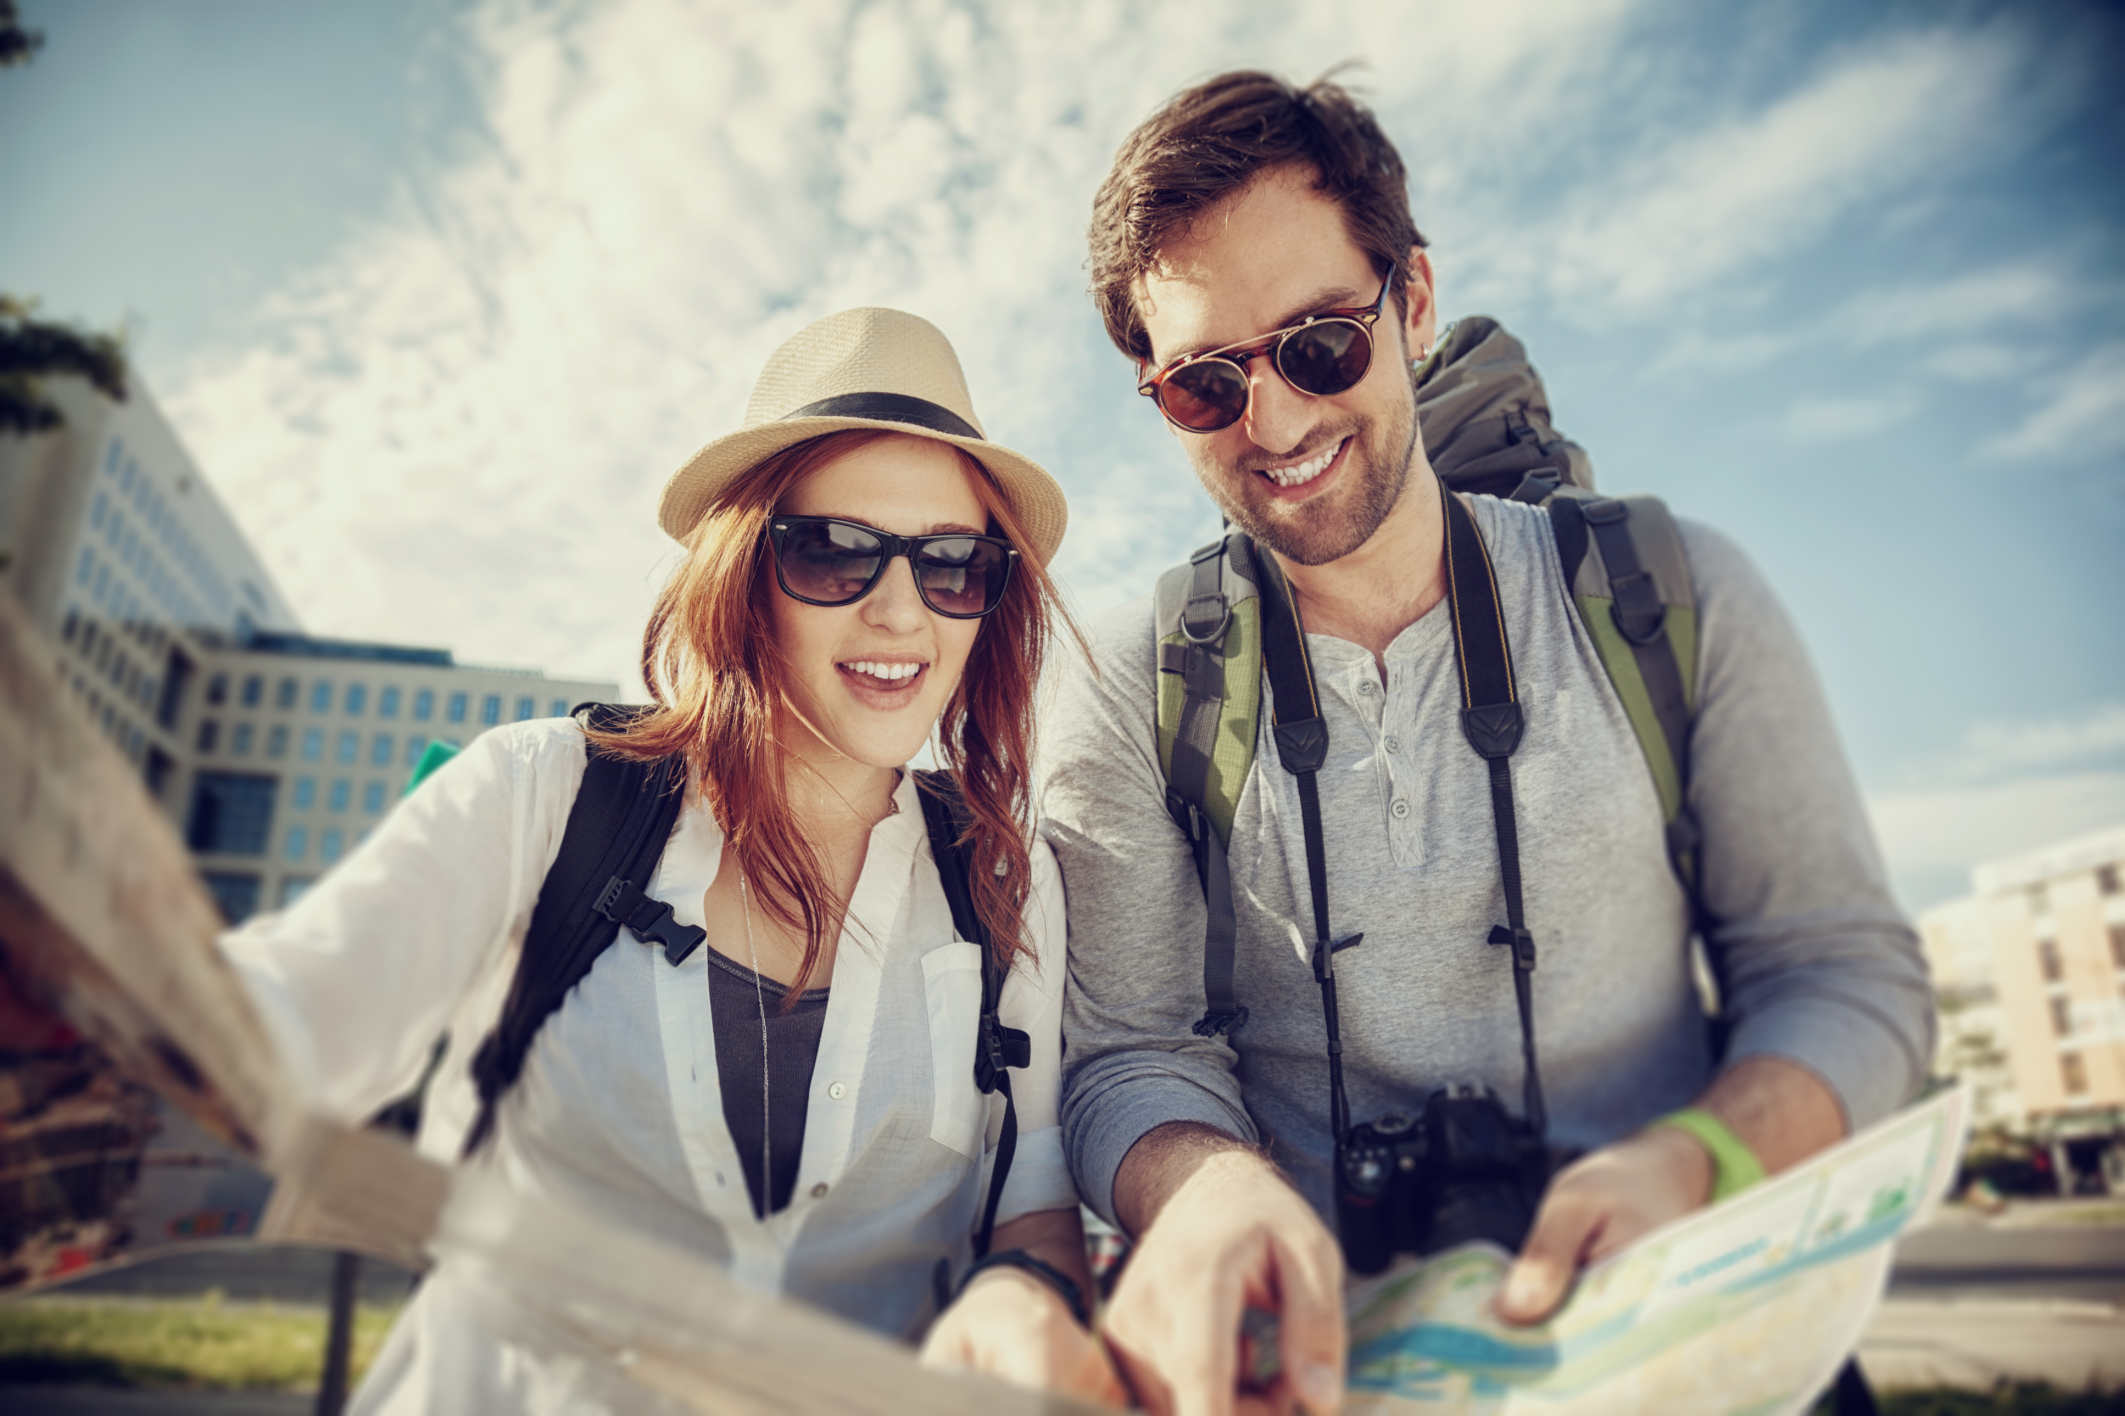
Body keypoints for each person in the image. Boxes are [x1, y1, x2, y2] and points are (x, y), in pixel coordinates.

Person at [1042, 71, 1936, 1415]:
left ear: (1410, 304)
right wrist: (1209, 1188)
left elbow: (1845, 969)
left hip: (1692, 1344)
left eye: (1319, 345)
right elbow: (1128, 1052)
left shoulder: (1679, 593)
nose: (1273, 424)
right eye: (1203, 386)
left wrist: (1692, 1162)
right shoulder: (1122, 679)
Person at [220, 307, 1126, 1410]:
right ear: (744, 574)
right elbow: (282, 1014)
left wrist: (1022, 1295)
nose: (901, 610)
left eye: (950, 564)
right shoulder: (540, 793)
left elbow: (1031, 1191)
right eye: (834, 551)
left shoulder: (1003, 877)